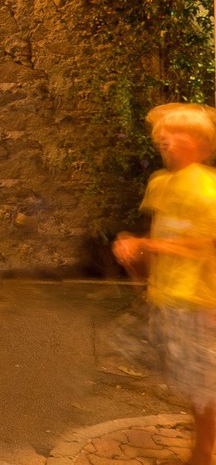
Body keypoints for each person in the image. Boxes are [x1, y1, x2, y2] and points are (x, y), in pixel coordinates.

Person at [114, 104, 216, 465]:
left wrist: (145, 245)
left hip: (200, 300)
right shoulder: (161, 182)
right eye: (163, 135)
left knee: (202, 382)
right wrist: (138, 258)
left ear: (203, 146)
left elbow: (204, 244)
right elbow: (163, 234)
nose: (166, 141)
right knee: (191, 380)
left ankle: (203, 453)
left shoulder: (208, 190)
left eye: (178, 135)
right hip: (168, 295)